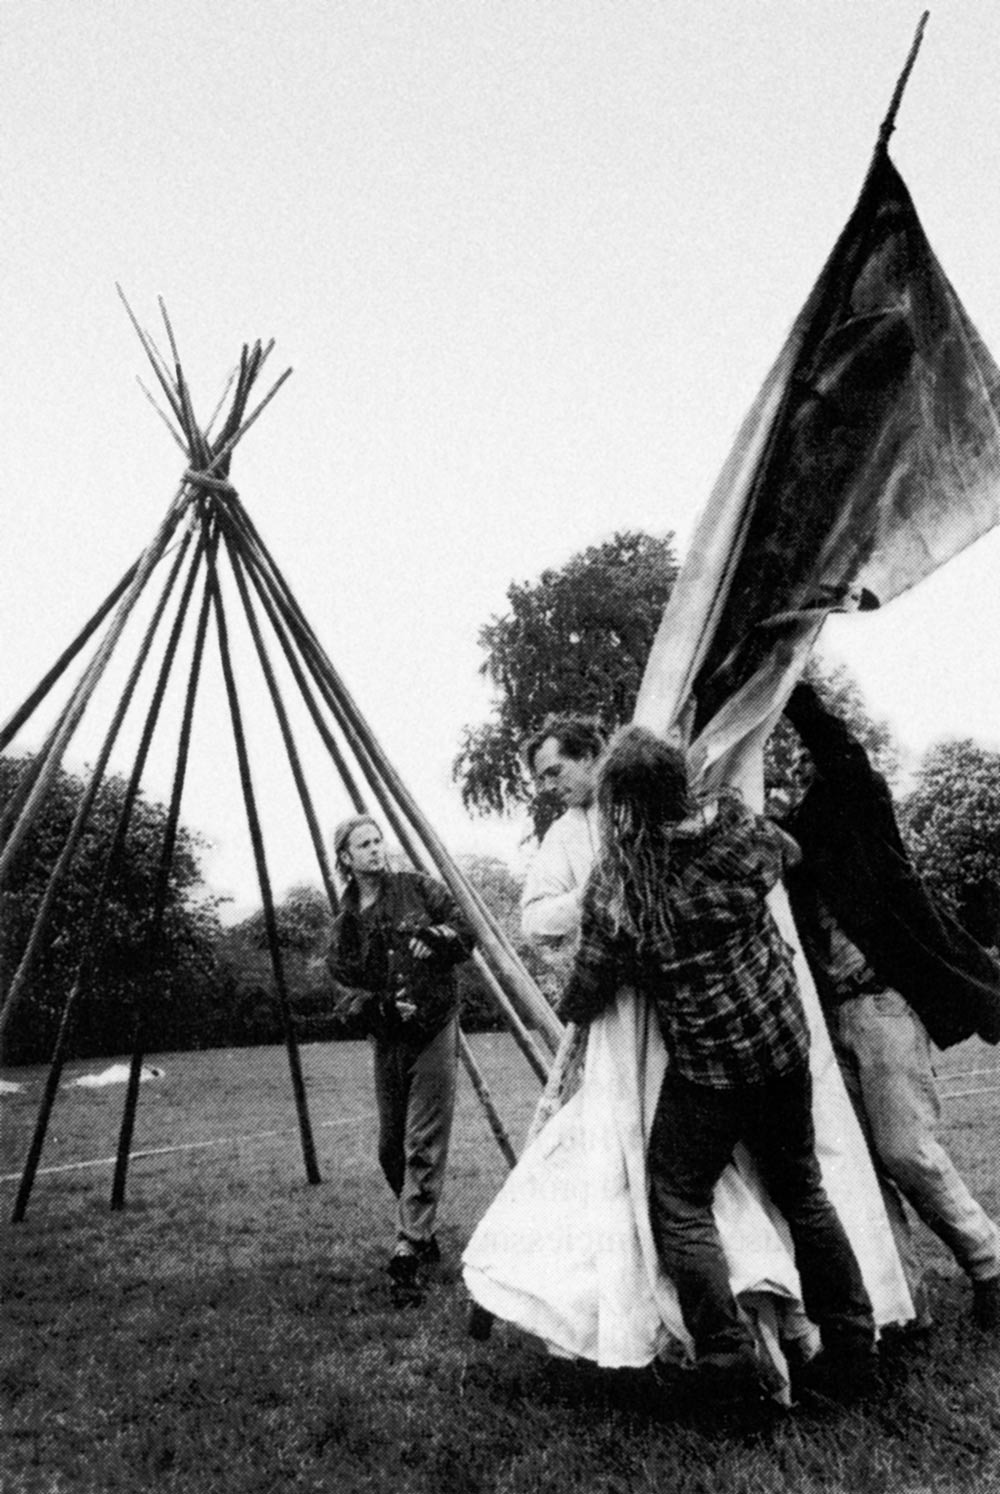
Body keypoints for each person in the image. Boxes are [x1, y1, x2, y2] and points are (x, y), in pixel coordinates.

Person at [558, 724, 878, 1404]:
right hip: (782, 1045)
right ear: (680, 781)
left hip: (711, 1066)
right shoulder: (736, 824)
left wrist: (580, 994)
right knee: (803, 1190)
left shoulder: (622, 879)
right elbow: (786, 852)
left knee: (677, 1198)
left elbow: (585, 991)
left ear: (619, 802)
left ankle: (729, 1356)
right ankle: (853, 1345)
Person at [780, 680, 1000, 1330]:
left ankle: (989, 1262)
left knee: (904, 1149)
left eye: (804, 754)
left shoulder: (861, 804)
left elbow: (838, 750)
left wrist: (787, 687)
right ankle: (902, 1300)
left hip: (883, 1005)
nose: (799, 765)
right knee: (862, 1165)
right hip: (832, 1021)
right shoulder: (792, 838)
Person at [326, 815, 475, 1294]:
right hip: (389, 1036)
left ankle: (407, 1248)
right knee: (390, 1147)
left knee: (422, 1143)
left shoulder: (418, 889)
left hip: (434, 1026)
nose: (375, 849)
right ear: (346, 859)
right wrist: (381, 1006)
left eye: (377, 840)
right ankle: (423, 1232)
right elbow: (345, 995)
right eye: (363, 845)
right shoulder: (346, 924)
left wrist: (438, 937)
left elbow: (465, 930)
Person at [519, 714, 605, 971]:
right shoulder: (562, 833)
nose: (548, 787)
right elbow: (533, 921)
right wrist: (588, 898)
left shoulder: (641, 803)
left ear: (587, 757)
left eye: (554, 772)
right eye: (542, 779)